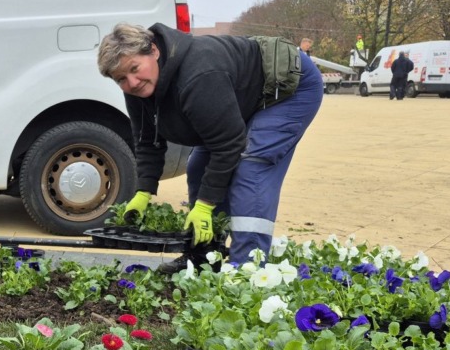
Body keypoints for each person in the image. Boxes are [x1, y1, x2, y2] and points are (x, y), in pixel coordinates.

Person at [97, 23, 323, 270]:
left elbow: (228, 144)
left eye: (134, 68)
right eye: (121, 79)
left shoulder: (198, 75)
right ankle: (203, 258)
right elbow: (147, 141)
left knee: (251, 169)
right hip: (240, 95)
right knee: (198, 167)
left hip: (288, 86)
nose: (132, 82)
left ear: (154, 51)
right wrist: (144, 191)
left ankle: (247, 269)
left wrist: (205, 205)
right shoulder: (138, 89)